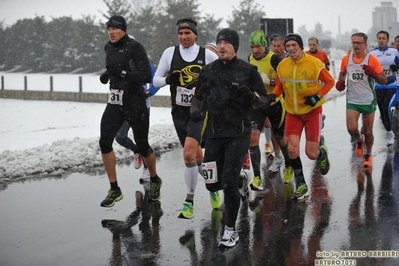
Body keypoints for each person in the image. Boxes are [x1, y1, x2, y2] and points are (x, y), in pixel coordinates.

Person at [191, 28, 268, 248]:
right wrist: (195, 111)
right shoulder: (208, 71)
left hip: (239, 132)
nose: (222, 46)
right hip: (215, 133)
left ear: (235, 47)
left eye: (226, 43)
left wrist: (250, 94)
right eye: (219, 42)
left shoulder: (248, 71)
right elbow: (198, 97)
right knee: (212, 183)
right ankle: (242, 180)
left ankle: (230, 230)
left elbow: (265, 102)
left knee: (227, 183)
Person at [153, 17, 218, 219]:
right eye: (180, 34)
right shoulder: (169, 53)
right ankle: (213, 186)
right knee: (197, 157)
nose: (183, 37)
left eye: (187, 33)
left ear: (195, 35)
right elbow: (155, 78)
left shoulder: (206, 55)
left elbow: (221, 76)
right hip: (179, 113)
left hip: (199, 113)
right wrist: (165, 80)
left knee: (189, 154)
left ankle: (188, 202)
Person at [98, 15, 161, 207]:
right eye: (109, 29)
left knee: (142, 145)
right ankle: (114, 189)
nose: (111, 32)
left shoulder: (135, 47)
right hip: (115, 101)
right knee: (104, 142)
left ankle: (155, 179)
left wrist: (122, 73)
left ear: (123, 29)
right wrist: (108, 74)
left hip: (135, 102)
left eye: (115, 29)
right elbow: (114, 69)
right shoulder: (108, 47)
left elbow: (145, 76)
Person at [269, 33, 334, 201]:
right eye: (288, 46)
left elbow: (329, 82)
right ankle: (302, 185)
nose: (290, 49)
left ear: (300, 46)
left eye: (293, 45)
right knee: (292, 149)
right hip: (292, 113)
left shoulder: (314, 63)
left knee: (311, 154)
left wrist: (317, 97)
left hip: (312, 113)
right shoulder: (283, 65)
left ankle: (322, 154)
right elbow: (278, 87)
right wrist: (271, 97)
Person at [247, 30, 293, 191]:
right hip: (258, 104)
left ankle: (288, 166)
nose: (255, 50)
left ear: (264, 45)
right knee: (253, 138)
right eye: (252, 47)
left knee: (279, 137)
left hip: (275, 103)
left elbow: (284, 82)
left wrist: (269, 81)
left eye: (258, 47)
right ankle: (257, 177)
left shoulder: (274, 59)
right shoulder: (250, 59)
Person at [336, 32, 387, 166]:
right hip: (352, 100)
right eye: (354, 43)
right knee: (351, 129)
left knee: (368, 130)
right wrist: (340, 83)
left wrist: (374, 74)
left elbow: (384, 80)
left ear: (365, 45)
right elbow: (342, 75)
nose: (356, 45)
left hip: (368, 100)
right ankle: (359, 140)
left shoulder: (372, 60)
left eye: (359, 43)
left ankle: (368, 154)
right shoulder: (346, 59)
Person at [115, 64, 161, 184]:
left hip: (142, 107)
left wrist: (148, 92)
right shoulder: (120, 62)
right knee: (120, 137)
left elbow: (157, 81)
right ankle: (136, 151)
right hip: (124, 106)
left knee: (142, 140)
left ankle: (147, 169)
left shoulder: (144, 63)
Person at [370, 30, 399, 146]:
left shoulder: (394, 52)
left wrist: (396, 66)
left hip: (391, 85)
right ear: (377, 40)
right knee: (382, 111)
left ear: (387, 40)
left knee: (387, 107)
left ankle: (390, 132)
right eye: (379, 38)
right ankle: (388, 131)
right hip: (378, 86)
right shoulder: (372, 54)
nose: (381, 40)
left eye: (383, 38)